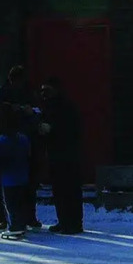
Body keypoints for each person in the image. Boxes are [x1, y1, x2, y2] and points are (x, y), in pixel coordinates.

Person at [0, 65, 39, 231]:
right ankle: (11, 218)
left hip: (16, 143)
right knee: (17, 185)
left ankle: (17, 218)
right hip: (19, 142)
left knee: (14, 186)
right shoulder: (5, 94)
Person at [38, 77, 86, 234]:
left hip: (64, 154)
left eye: (47, 90)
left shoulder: (62, 108)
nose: (43, 94)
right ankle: (67, 221)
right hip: (61, 154)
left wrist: (51, 131)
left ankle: (71, 222)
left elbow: (68, 131)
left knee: (67, 190)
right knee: (63, 190)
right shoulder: (60, 106)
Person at [0, 104, 33, 240]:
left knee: (10, 203)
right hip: (23, 175)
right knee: (21, 202)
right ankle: (21, 223)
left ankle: (14, 226)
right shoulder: (23, 138)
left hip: (8, 177)